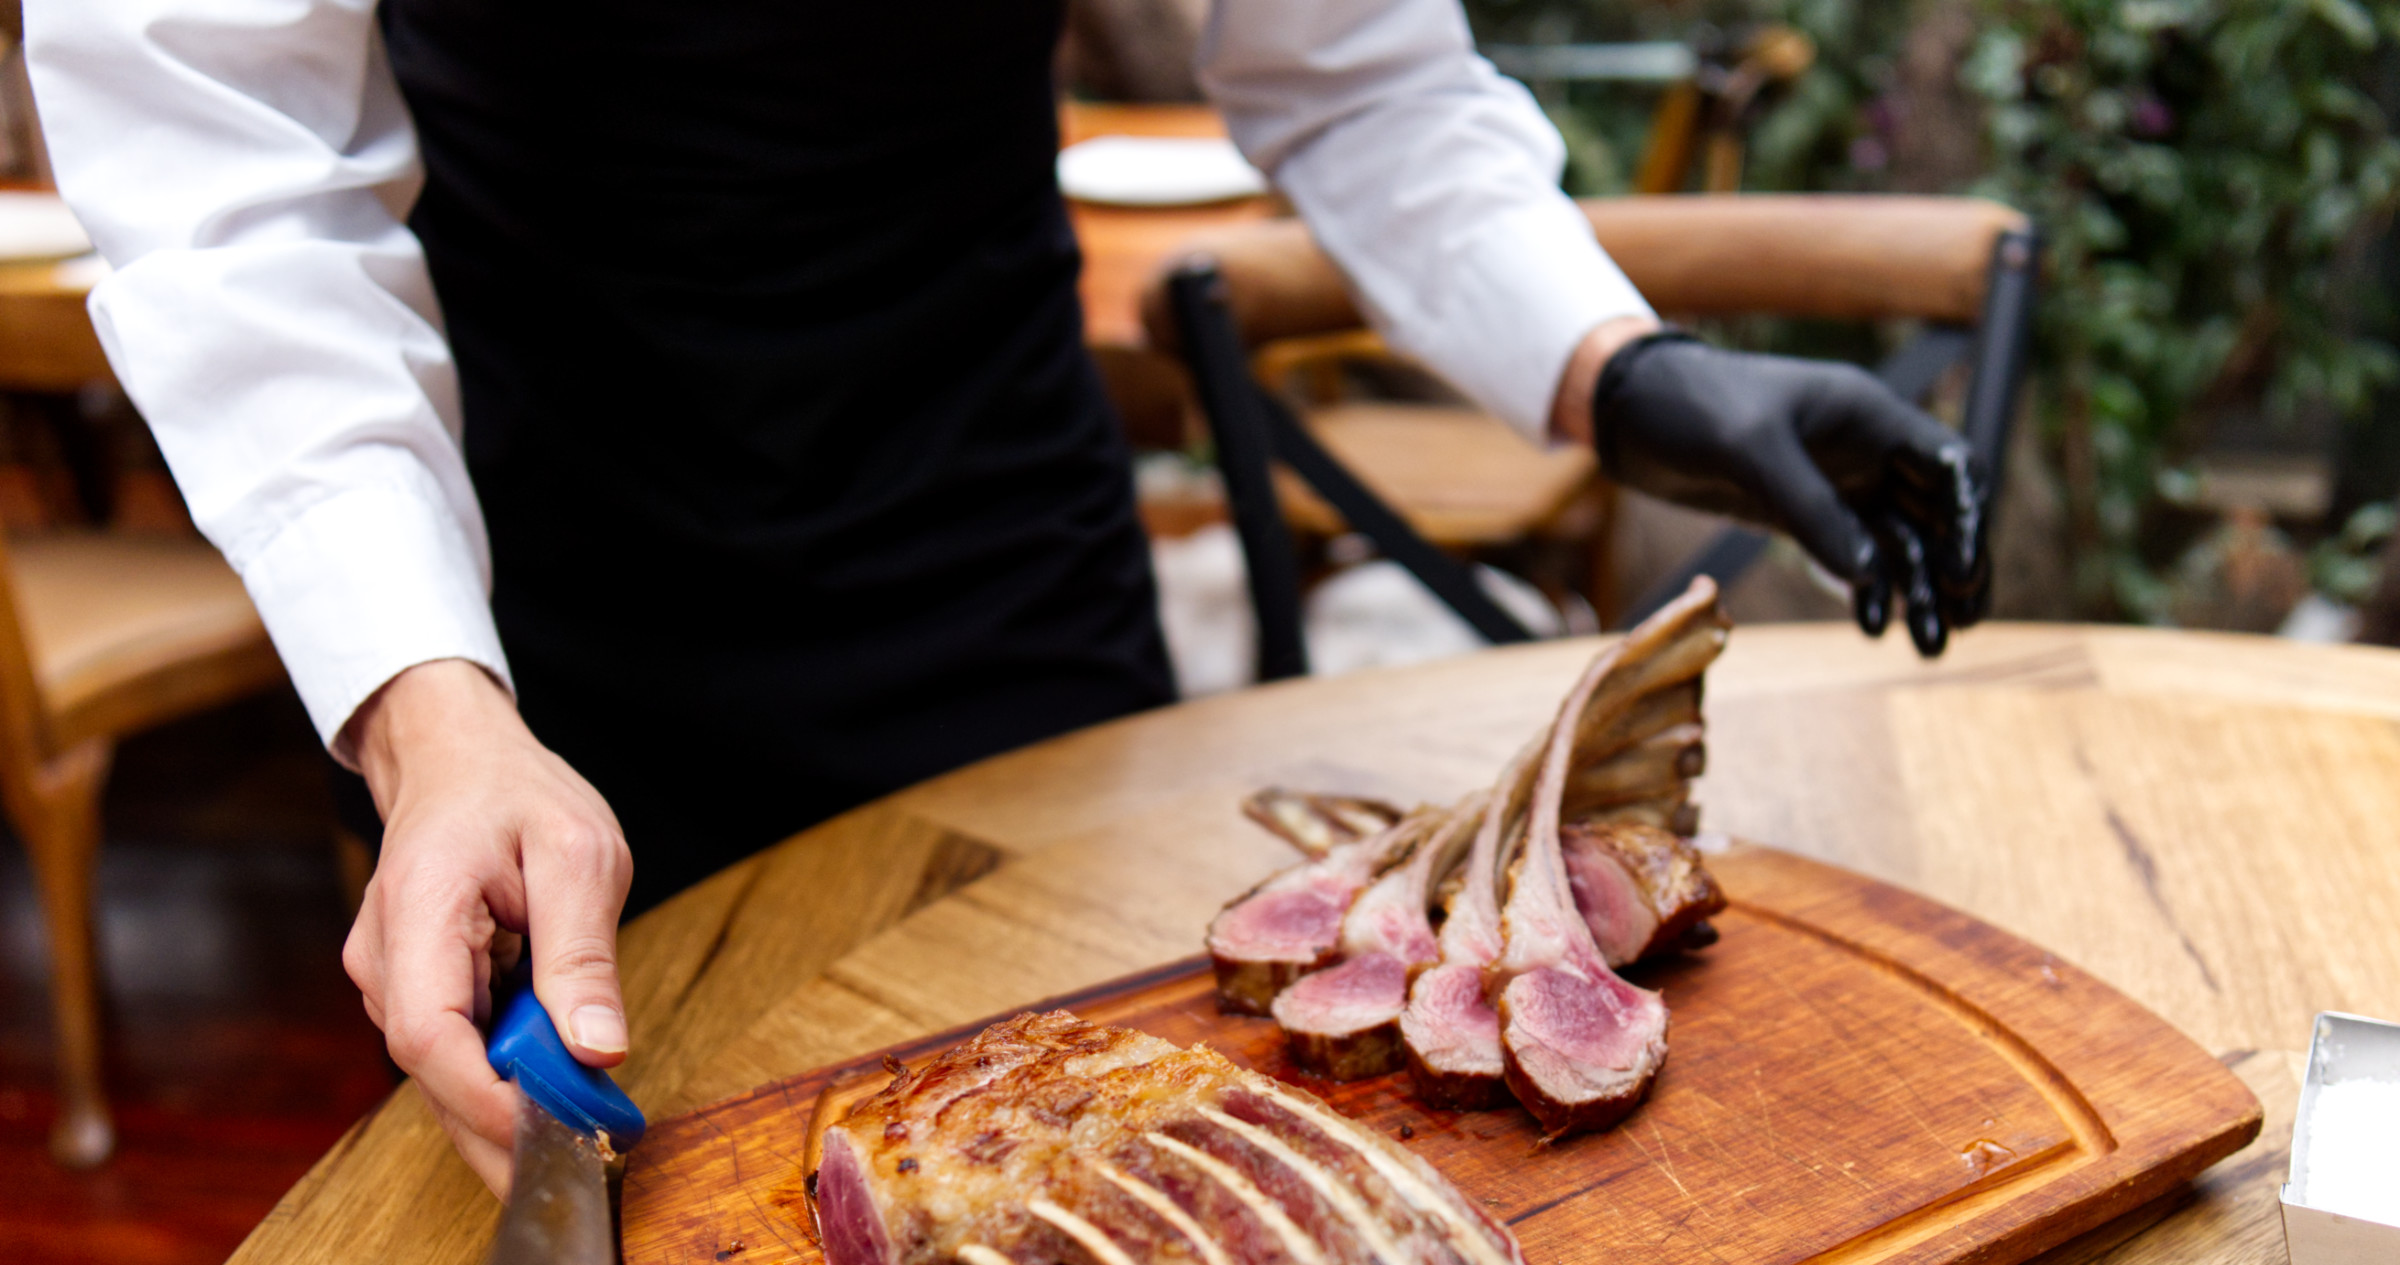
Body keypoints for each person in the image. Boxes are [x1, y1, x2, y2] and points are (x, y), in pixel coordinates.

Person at [27, 0, 1987, 1193]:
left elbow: (1356, 81)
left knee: (1124, 1178)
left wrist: (1615, 368)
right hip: (536, 630)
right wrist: (427, 708)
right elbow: (233, 193)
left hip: (1000, 550)